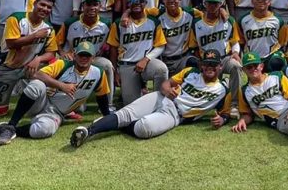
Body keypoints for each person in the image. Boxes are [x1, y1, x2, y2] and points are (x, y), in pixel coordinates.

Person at [69, 50, 232, 147]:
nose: (209, 67)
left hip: (176, 115)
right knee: (126, 113)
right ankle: (88, 131)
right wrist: (167, 89)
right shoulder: (191, 72)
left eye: (213, 64)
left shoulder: (223, 89)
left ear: (220, 67)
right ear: (202, 64)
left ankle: (113, 122)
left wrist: (222, 120)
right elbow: (166, 84)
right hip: (162, 98)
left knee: (143, 128)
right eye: (206, 63)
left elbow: (225, 113)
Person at [0, 41, 111, 145]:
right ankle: (12, 123)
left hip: (56, 113)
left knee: (44, 131)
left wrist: (107, 118)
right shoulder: (63, 65)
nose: (84, 58)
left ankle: (7, 129)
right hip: (41, 101)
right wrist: (61, 85)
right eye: (81, 55)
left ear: (93, 58)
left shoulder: (98, 73)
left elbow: (102, 97)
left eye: (87, 56)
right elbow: (37, 74)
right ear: (75, 55)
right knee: (36, 85)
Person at [0, 0, 58, 116]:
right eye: (42, 5)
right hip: (5, 68)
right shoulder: (16, 18)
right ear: (34, 3)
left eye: (49, 7)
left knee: (53, 69)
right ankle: (13, 90)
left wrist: (39, 59)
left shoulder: (49, 29)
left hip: (28, 67)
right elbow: (11, 44)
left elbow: (51, 53)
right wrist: (35, 36)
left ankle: (50, 101)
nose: (45, 9)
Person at [107, 0, 169, 106]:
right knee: (132, 105)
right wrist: (116, 72)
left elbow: (160, 46)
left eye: (140, 1)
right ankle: (141, 93)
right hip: (127, 65)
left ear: (145, 3)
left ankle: (159, 103)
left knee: (161, 69)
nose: (137, 3)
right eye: (133, 1)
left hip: (147, 64)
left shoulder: (153, 21)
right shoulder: (119, 23)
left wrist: (146, 59)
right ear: (129, 4)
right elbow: (113, 49)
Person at [187, 0, 243, 116]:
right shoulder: (196, 23)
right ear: (205, 4)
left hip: (224, 58)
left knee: (236, 66)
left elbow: (234, 41)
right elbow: (194, 47)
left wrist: (235, 52)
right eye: (210, 3)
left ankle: (235, 104)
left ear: (220, 4)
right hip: (206, 62)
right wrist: (200, 62)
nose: (213, 6)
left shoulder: (229, 21)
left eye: (216, 3)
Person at [58, 0, 114, 111]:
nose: (92, 8)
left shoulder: (106, 24)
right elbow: (57, 43)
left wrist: (104, 48)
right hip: (74, 60)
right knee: (79, 109)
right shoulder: (70, 23)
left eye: (95, 4)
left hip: (93, 58)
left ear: (100, 6)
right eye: (88, 4)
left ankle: (108, 104)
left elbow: (110, 42)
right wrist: (63, 53)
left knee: (107, 65)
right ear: (83, 6)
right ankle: (73, 100)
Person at [237, 0, 288, 72]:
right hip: (253, 56)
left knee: (276, 62)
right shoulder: (243, 20)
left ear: (269, 2)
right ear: (252, 1)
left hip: (272, 55)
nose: (261, 1)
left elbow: (283, 43)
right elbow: (241, 43)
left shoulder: (278, 20)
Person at [157, 0, 203, 76]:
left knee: (195, 63)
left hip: (184, 58)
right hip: (165, 60)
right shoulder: (158, 15)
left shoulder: (190, 13)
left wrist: (222, 10)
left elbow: (208, 16)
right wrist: (126, 14)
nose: (171, 1)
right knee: (167, 89)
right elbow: (142, 13)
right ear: (163, 0)